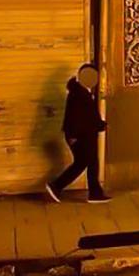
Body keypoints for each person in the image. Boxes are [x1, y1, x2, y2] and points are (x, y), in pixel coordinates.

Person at [46, 63, 109, 203]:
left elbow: (88, 115)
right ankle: (56, 185)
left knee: (91, 162)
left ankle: (95, 193)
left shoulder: (83, 91)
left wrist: (99, 124)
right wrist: (73, 135)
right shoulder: (78, 93)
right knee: (83, 162)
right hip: (81, 136)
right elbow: (75, 116)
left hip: (86, 134)